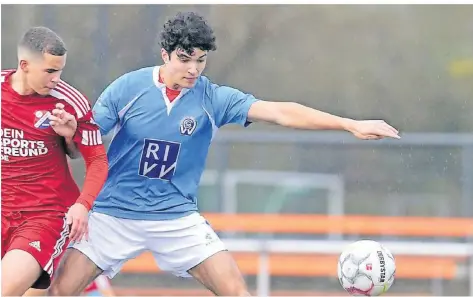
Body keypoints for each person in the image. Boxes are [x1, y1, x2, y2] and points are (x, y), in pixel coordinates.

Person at [48, 12, 400, 296]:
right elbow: (85, 146)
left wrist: (348, 123)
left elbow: (280, 112)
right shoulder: (128, 88)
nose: (193, 69)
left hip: (176, 219)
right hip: (114, 215)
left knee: (235, 290)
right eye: (184, 59)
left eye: (200, 61)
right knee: (60, 290)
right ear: (164, 54)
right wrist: (69, 135)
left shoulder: (213, 98)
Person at [1, 26, 109, 296]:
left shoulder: (69, 102)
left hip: (44, 216)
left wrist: (83, 205)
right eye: (49, 71)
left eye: (60, 70)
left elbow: (97, 160)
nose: (56, 79)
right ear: (24, 65)